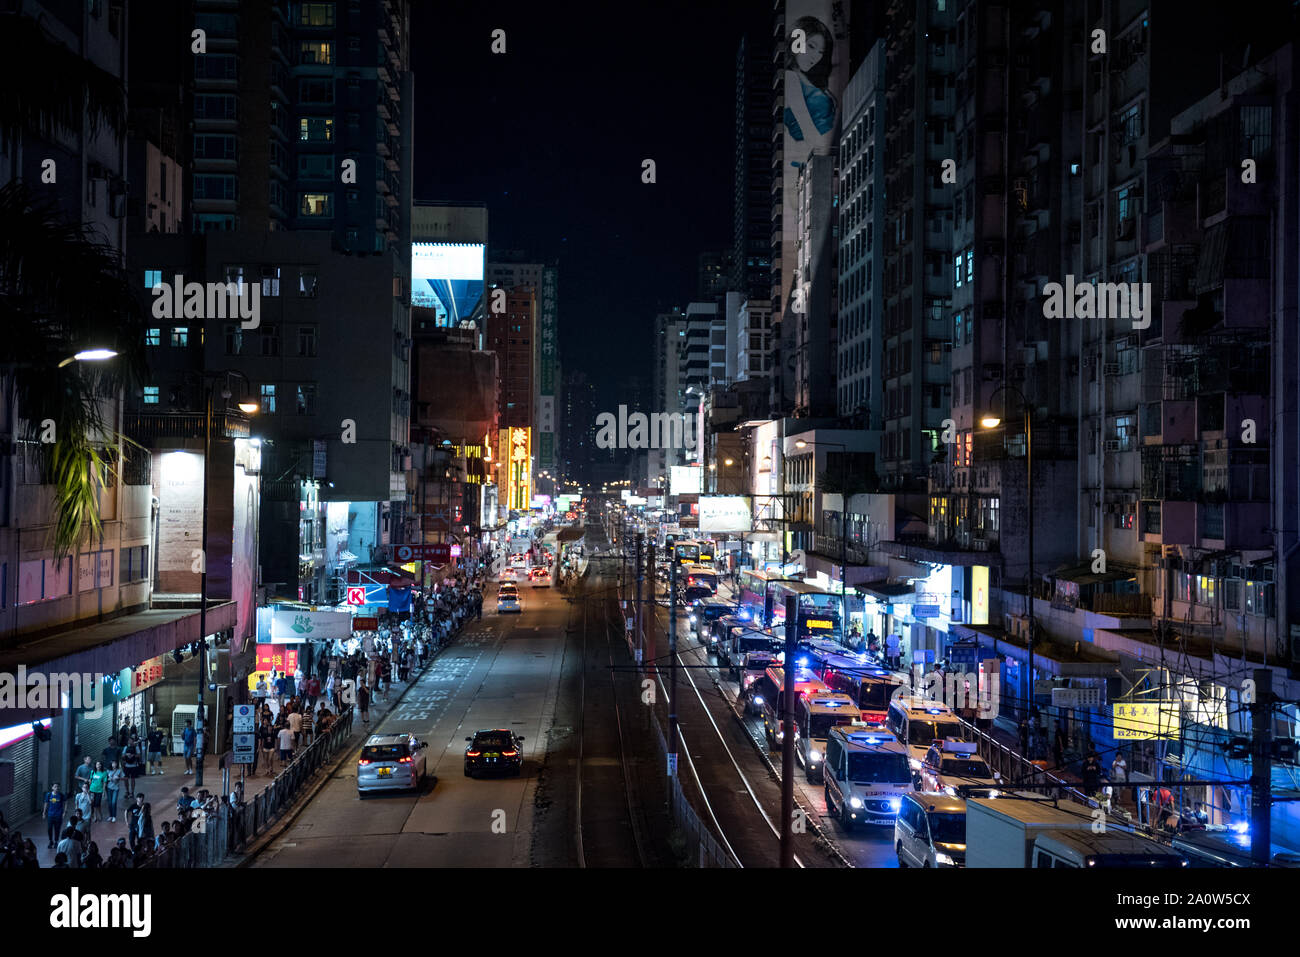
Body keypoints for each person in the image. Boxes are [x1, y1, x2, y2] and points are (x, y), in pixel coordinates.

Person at [42, 782, 65, 848]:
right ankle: (50, 841)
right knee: (49, 828)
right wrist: (44, 812)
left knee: (57, 829)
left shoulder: (61, 795)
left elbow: (65, 802)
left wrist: (64, 812)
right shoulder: (48, 795)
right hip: (50, 815)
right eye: (55, 786)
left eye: (57, 786)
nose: (56, 788)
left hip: (58, 815)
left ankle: (56, 841)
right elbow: (46, 803)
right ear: (52, 788)